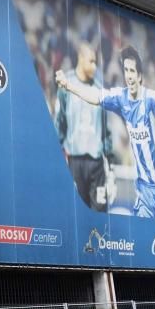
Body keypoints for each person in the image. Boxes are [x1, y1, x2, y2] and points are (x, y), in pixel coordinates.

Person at [56, 45, 155, 219]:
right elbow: (96, 96)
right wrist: (69, 86)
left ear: (140, 75)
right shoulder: (121, 98)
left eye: (132, 71)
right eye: (126, 70)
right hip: (144, 191)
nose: (128, 75)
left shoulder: (151, 99)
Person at [54, 42, 111, 212]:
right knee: (75, 214)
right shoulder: (66, 85)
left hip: (97, 164)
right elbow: (60, 121)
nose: (94, 66)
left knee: (100, 215)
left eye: (96, 62)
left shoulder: (99, 89)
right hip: (74, 162)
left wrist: (111, 162)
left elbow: (105, 129)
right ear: (80, 58)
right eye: (91, 61)